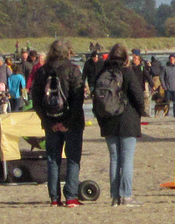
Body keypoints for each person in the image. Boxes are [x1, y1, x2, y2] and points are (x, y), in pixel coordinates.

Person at [30, 39, 87, 206]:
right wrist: (68, 121)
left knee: (52, 159)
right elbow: (78, 99)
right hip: (72, 122)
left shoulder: (42, 71)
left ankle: (54, 198)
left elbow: (36, 100)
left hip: (50, 120)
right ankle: (71, 196)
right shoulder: (73, 70)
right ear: (67, 52)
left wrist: (47, 122)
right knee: (73, 158)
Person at [94, 42, 146, 206]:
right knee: (127, 159)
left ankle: (115, 196)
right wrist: (140, 111)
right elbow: (138, 96)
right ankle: (126, 195)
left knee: (114, 159)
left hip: (108, 120)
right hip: (127, 119)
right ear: (126, 58)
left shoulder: (103, 72)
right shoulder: (127, 72)